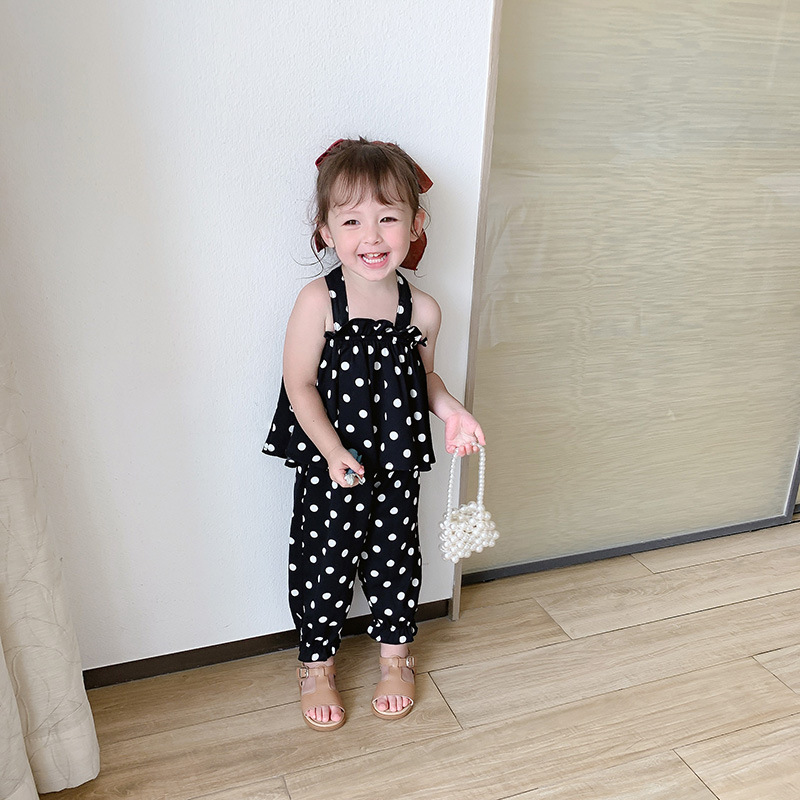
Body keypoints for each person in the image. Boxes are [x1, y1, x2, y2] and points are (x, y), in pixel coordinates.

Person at [263, 137, 485, 731]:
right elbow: (298, 385)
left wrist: (453, 412)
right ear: (326, 231)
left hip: (396, 460)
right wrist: (332, 450)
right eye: (352, 220)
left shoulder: (423, 310)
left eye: (388, 218)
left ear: (415, 224)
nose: (372, 236)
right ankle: (316, 665)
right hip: (331, 463)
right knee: (324, 558)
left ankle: (396, 657)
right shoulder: (320, 301)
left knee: (396, 556)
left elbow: (425, 378)